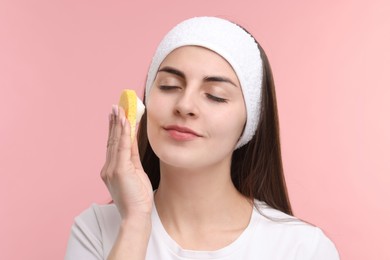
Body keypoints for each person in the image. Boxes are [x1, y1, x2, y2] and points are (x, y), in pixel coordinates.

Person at [65, 16, 339, 259]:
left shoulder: (302, 249)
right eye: (169, 86)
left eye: (215, 95)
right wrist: (135, 223)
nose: (184, 105)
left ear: (250, 122)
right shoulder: (96, 230)